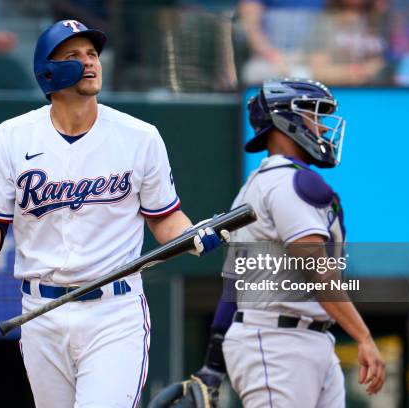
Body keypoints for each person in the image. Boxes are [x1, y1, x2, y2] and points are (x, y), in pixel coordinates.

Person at [0, 19, 229, 408]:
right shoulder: (12, 136)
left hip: (114, 310)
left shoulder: (139, 136)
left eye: (92, 54)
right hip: (40, 310)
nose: (90, 62)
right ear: (48, 71)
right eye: (74, 56)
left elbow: (164, 217)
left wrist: (191, 235)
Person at [149, 79, 385, 408]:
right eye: (313, 114)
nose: (321, 126)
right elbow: (316, 270)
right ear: (284, 119)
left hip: (300, 338)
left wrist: (213, 366)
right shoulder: (289, 182)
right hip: (278, 344)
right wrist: (363, 336)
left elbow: (233, 290)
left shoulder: (255, 185)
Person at [238, 0, 326, 84]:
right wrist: (275, 57)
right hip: (268, 58)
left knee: (305, 75)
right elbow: (252, 28)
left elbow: (325, 32)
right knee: (256, 72)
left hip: (306, 58)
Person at [307, 0, 388, 85]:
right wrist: (360, 71)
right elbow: (318, 72)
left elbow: (384, 64)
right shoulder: (325, 23)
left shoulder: (380, 20)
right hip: (338, 91)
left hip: (376, 92)